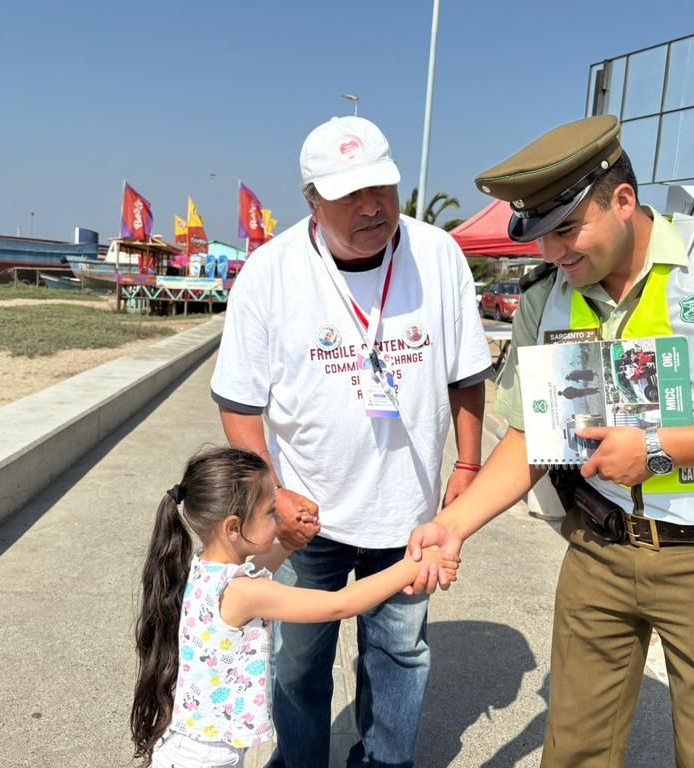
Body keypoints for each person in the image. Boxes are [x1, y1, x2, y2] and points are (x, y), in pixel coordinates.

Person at [406, 114, 694, 767]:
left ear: (624, 201)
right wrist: (454, 524)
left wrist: (659, 447)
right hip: (597, 555)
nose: (554, 253)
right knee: (575, 750)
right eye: (541, 236)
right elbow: (532, 435)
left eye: (568, 230)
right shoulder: (546, 299)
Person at [210, 115, 493, 768]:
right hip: (305, 516)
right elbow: (239, 403)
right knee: (296, 662)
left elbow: (467, 374)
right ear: (311, 199)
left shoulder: (438, 256)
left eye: (382, 188)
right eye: (350, 195)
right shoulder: (270, 273)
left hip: (410, 513)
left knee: (398, 654)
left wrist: (469, 463)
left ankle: (384, 763)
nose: (373, 207)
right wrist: (271, 494)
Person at [130, 447, 457, 768]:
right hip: (207, 758)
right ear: (233, 527)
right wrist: (412, 567)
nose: (278, 517)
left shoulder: (203, 567)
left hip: (193, 744)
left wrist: (287, 542)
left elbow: (262, 564)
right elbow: (338, 605)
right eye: (271, 511)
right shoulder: (242, 592)